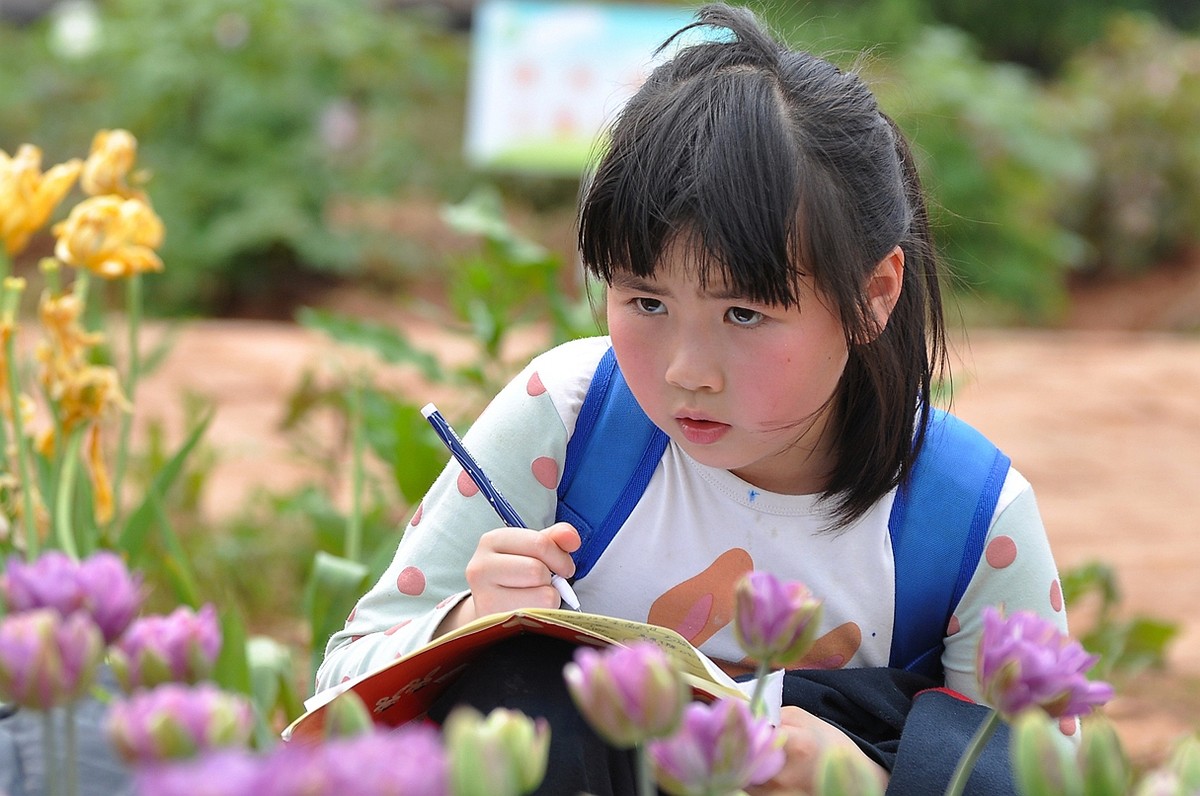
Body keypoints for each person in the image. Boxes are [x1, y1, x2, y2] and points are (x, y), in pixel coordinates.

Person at [318, 5, 1069, 793]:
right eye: (645, 302)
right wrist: (468, 623)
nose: (687, 370)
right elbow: (339, 687)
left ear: (873, 294)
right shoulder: (567, 419)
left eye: (744, 313)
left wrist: (869, 780)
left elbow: (1051, 776)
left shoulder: (969, 519)